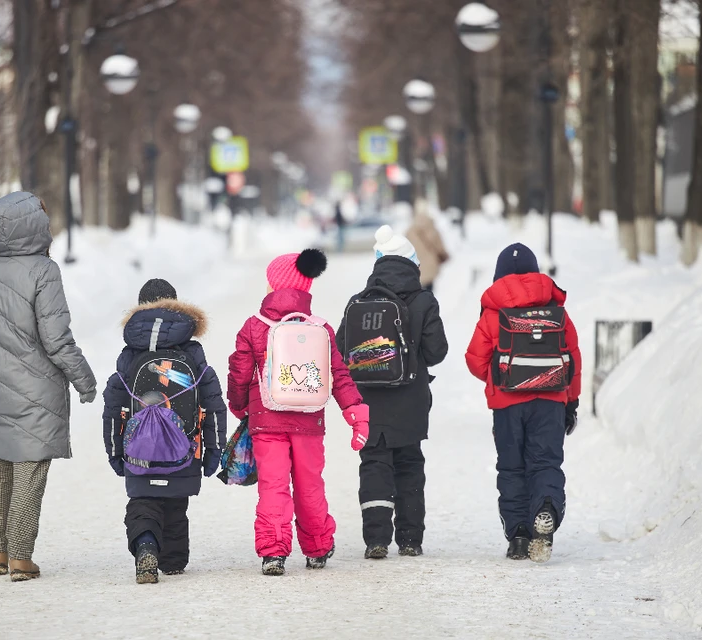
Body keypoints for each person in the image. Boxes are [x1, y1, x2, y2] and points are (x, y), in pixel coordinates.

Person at [0, 191, 97, 582]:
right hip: (35, 387)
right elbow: (56, 339)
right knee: (30, 465)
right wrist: (84, 379)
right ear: (34, 227)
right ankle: (21, 557)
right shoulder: (44, 271)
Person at [227, 248, 370, 576]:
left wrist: (239, 405)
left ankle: (273, 551)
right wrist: (354, 411)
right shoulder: (321, 328)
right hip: (309, 422)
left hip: (266, 421)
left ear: (275, 286)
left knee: (273, 484)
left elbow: (239, 372)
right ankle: (318, 547)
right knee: (310, 484)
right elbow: (339, 374)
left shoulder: (253, 326)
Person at [103, 279, 227, 584]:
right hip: (183, 450)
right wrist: (213, 451)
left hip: (138, 452)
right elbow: (213, 407)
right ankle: (172, 560)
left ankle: (146, 545)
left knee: (142, 503)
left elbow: (112, 409)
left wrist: (115, 451)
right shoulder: (193, 354)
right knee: (175, 504)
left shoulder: (129, 354)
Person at [465, 243, 581, 563]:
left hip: (507, 405)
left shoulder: (493, 311)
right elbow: (572, 357)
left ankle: (518, 535)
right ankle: (545, 508)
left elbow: (475, 360)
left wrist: (499, 377)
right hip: (551, 400)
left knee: (512, 467)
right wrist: (571, 401)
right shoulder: (555, 309)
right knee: (545, 462)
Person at [336, 226, 448, 560]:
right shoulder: (424, 301)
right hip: (411, 402)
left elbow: (342, 349)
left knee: (374, 465)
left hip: (370, 401)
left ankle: (376, 539)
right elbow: (437, 351)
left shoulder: (359, 302)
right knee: (410, 465)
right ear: (412, 264)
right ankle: (411, 539)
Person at [405, 204, 449, 291]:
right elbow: (439, 246)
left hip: (415, 267)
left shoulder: (410, 231)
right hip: (430, 265)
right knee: (429, 291)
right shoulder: (432, 229)